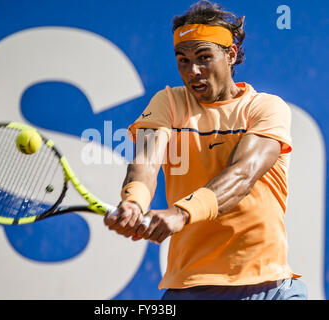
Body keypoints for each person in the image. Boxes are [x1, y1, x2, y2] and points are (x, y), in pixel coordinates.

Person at [104, 0, 308, 300]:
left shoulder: (265, 107)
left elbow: (243, 174)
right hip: (191, 286)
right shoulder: (169, 102)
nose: (193, 71)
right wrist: (134, 201)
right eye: (183, 60)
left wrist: (181, 214)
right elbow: (145, 162)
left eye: (203, 57)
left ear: (231, 55)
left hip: (268, 286)